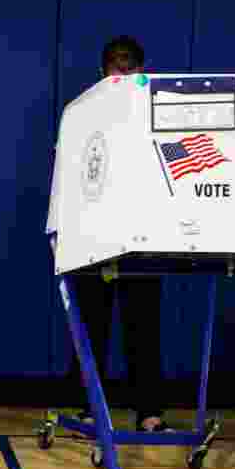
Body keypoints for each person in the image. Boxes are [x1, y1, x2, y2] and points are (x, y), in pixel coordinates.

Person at [67, 35, 169, 433]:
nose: (122, 69)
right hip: (93, 234)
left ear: (143, 68)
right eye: (115, 62)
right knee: (91, 326)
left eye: (130, 63)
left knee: (144, 326)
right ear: (102, 70)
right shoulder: (84, 112)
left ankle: (149, 410)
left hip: (143, 235)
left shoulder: (157, 110)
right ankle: (92, 408)